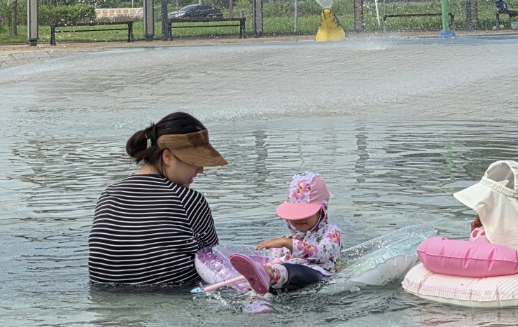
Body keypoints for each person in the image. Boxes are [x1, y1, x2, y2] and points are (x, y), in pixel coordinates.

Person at [88, 111, 228, 287]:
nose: (200, 169)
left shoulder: (109, 194)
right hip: (173, 293)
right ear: (167, 157)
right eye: (194, 161)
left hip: (105, 293)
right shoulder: (187, 199)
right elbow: (211, 263)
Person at [229, 172, 342, 294]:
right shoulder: (290, 238)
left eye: (305, 213)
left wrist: (288, 243)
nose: (299, 218)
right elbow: (277, 259)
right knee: (275, 276)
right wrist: (275, 259)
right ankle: (257, 294)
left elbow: (323, 254)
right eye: (294, 213)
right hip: (286, 278)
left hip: (317, 275)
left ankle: (270, 275)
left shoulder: (331, 233)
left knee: (292, 271)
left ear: (322, 210)